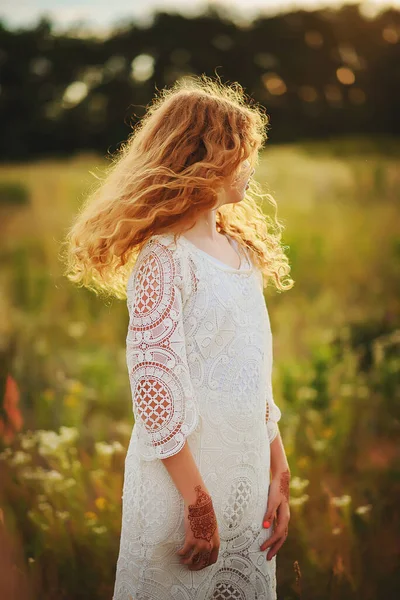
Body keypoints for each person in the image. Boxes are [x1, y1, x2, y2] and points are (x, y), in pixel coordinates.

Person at [63, 74, 294, 599]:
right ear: (200, 155)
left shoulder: (243, 254)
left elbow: (255, 372)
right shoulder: (164, 259)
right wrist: (198, 505)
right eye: (239, 150)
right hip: (187, 487)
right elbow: (154, 390)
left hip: (246, 474)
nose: (250, 164)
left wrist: (278, 473)